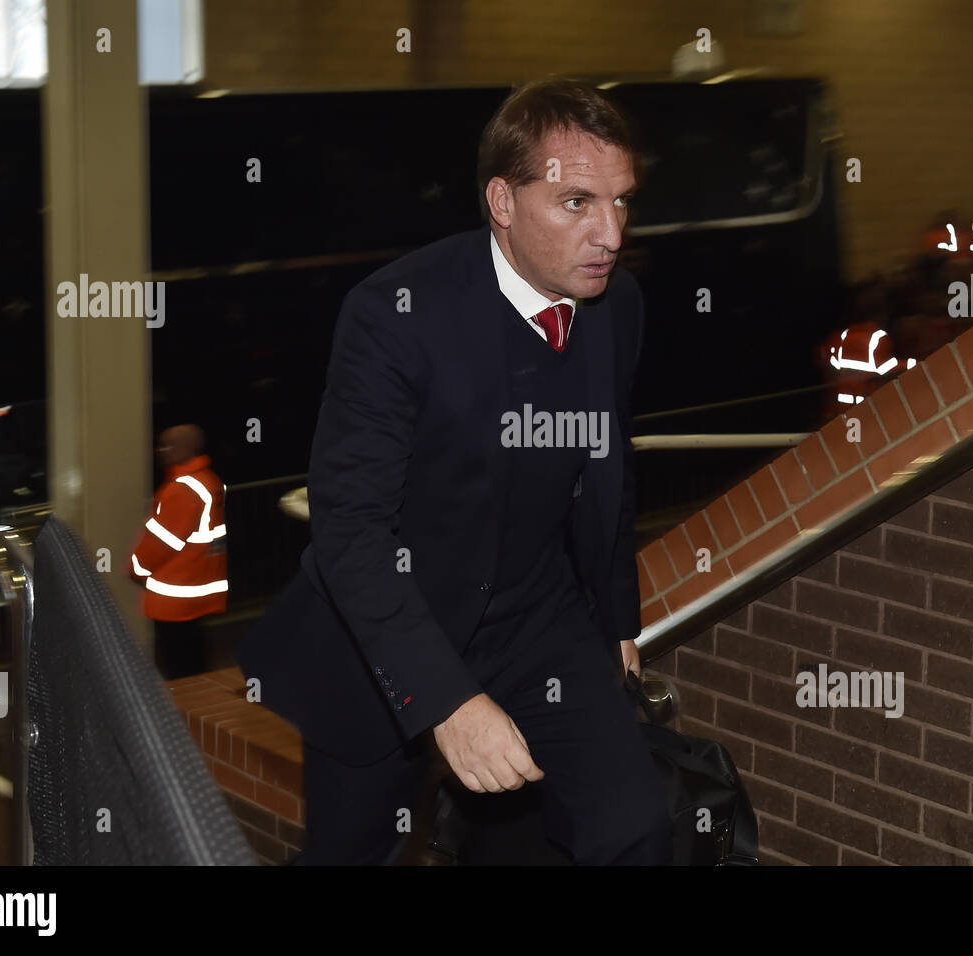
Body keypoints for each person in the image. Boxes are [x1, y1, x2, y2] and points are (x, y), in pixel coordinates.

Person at [235, 76, 673, 865]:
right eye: (578, 202)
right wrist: (446, 699)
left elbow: (609, 467)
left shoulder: (620, 306)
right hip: (393, 628)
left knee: (632, 825)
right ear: (502, 202)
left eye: (622, 200)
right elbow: (352, 531)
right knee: (354, 852)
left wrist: (617, 621)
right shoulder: (394, 314)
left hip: (539, 622)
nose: (611, 231)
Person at [128, 424, 228, 679]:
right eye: (161, 444)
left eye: (169, 445)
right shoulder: (208, 480)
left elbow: (163, 541)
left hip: (175, 595)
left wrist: (136, 568)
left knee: (179, 666)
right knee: (195, 658)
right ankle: (200, 708)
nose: (161, 450)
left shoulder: (181, 489)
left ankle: (182, 714)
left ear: (189, 448)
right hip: (199, 585)